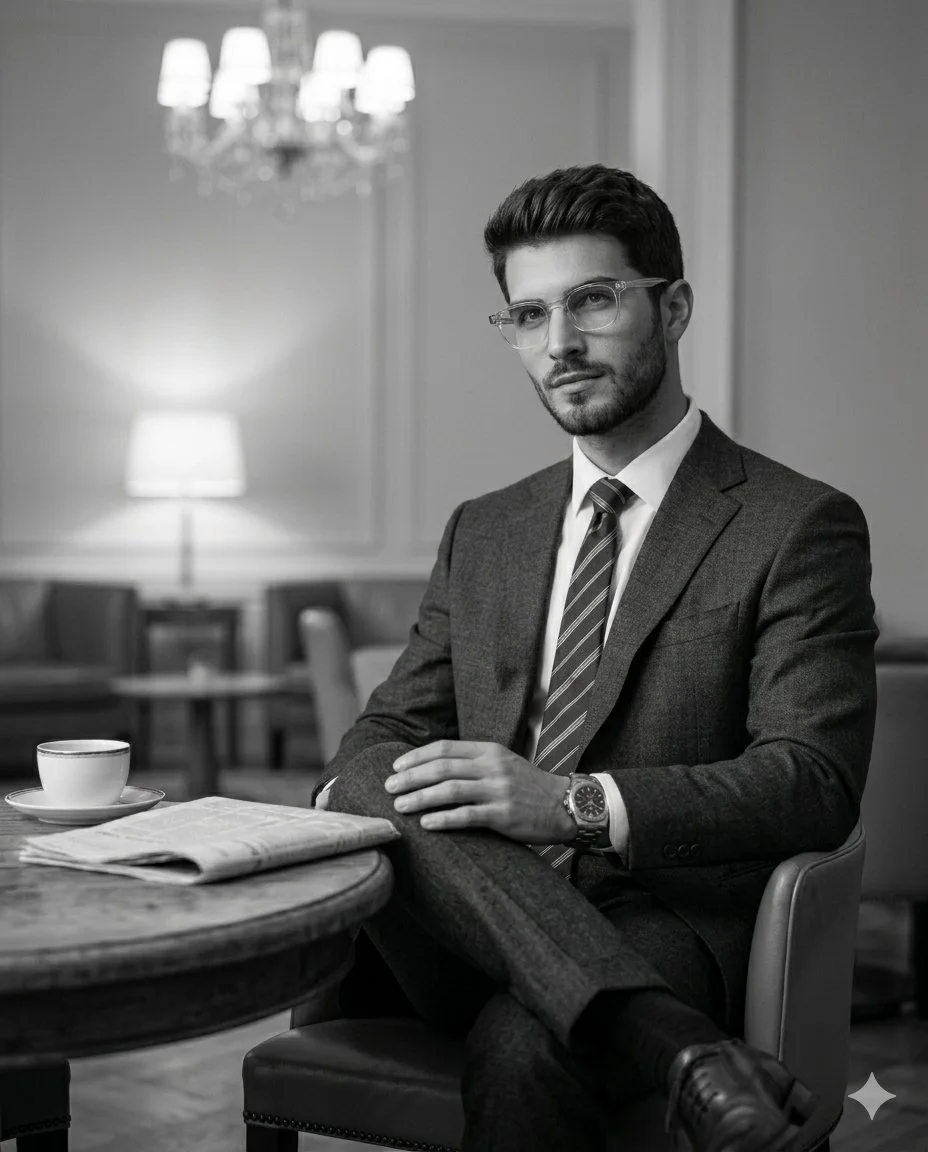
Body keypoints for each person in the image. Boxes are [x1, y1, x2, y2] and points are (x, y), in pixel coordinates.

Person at [312, 164, 878, 1152]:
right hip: (461, 913)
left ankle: (653, 1030)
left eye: (593, 301)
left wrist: (569, 805)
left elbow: (811, 781)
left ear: (674, 308)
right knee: (365, 776)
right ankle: (685, 1052)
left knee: (528, 1047)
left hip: (658, 911)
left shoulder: (796, 524)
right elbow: (387, 729)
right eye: (528, 315)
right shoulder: (485, 528)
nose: (559, 344)